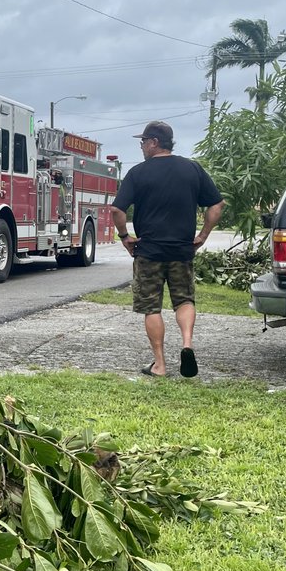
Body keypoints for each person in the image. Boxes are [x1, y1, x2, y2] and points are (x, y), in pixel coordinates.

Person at [110, 121, 224, 378]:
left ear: (153, 143)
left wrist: (125, 236)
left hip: (149, 251)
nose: (141, 147)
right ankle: (186, 344)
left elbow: (117, 210)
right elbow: (217, 205)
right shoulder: (192, 169)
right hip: (182, 251)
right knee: (184, 300)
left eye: (142, 142)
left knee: (151, 307)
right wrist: (203, 235)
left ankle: (160, 364)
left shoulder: (138, 173)